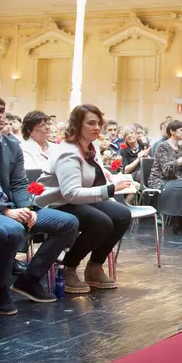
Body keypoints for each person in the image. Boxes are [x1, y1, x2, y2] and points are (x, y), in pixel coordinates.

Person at [0, 95, 78, 314]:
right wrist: (5, 210)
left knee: (68, 223)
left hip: (12, 206)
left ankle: (29, 279)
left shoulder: (11, 144)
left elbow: (19, 183)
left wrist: (28, 208)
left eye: (1, 110)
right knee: (12, 229)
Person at [36, 104, 133, 293]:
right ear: (77, 125)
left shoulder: (90, 145)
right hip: (56, 203)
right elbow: (70, 193)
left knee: (122, 214)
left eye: (99, 123)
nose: (97, 127)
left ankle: (95, 267)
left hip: (78, 200)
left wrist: (105, 173)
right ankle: (69, 269)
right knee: (102, 222)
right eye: (91, 123)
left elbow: (87, 177)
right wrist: (110, 189)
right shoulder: (68, 152)